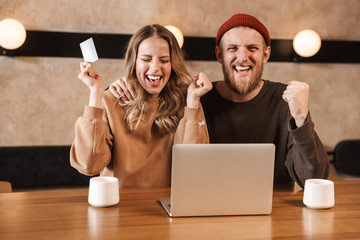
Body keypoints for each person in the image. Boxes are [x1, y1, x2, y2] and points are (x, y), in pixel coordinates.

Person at [109, 14, 329, 189]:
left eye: (252, 48)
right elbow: (153, 92)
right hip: (207, 213)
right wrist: (121, 87)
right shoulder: (196, 98)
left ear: (266, 54)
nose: (242, 57)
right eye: (232, 48)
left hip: (275, 214)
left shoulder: (285, 101)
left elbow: (313, 180)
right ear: (219, 55)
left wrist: (301, 120)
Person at [70, 24, 212, 187]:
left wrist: (193, 102)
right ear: (134, 62)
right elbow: (89, 165)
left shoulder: (187, 102)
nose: (155, 68)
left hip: (169, 205)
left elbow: (194, 167)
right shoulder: (112, 99)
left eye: (164, 60)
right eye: (146, 59)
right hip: (119, 204)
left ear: (173, 64)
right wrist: (96, 92)